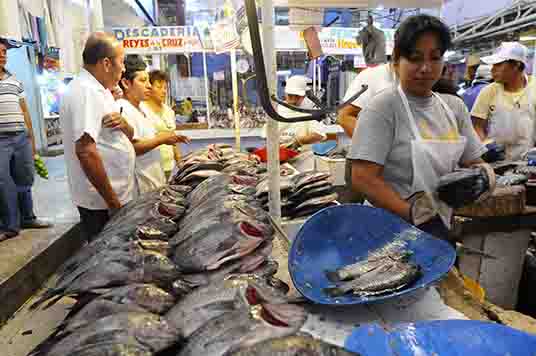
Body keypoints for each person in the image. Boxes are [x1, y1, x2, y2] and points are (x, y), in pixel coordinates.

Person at [348, 14, 490, 239]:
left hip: (442, 224)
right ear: (396, 61)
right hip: (389, 229)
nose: (425, 68)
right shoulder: (383, 108)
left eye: (435, 58)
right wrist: (413, 214)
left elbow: (474, 161)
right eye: (415, 58)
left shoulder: (454, 107)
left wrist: (484, 176)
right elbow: (363, 177)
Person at [60, 32, 135, 242]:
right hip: (101, 203)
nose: (124, 68)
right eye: (121, 61)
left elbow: (119, 134)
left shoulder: (99, 90)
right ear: (106, 63)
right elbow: (85, 151)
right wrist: (113, 202)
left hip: (109, 199)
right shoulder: (86, 92)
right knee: (109, 259)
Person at [0, 38, 52, 241]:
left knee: (24, 178)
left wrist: (31, 139)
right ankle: (10, 226)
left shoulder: (15, 81)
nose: (2, 54)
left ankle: (28, 217)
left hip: (20, 136)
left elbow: (24, 110)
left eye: (4, 51)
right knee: (3, 182)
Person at [118, 55, 190, 194]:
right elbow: (132, 148)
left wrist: (171, 139)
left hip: (154, 182)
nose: (149, 86)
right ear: (126, 83)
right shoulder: (122, 110)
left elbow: (150, 137)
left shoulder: (143, 109)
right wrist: (162, 139)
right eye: (143, 81)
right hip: (138, 188)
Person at [471, 42, 535, 160]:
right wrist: (485, 147)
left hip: (528, 160)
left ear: (516, 65)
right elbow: (477, 125)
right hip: (497, 161)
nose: (492, 70)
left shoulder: (534, 88)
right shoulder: (488, 91)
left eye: (498, 65)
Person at [272, 75, 326, 171]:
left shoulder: (310, 110)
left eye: (297, 97)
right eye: (290, 96)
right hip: (278, 160)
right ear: (285, 93)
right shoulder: (277, 109)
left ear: (303, 96)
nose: (293, 100)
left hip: (303, 161)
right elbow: (267, 134)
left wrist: (297, 142)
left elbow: (318, 135)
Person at [141, 70, 182, 180]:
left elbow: (173, 136)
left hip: (168, 165)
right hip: (149, 167)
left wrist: (179, 161)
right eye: (159, 87)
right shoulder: (141, 109)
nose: (163, 91)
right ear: (149, 87)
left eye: (165, 88)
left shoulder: (169, 111)